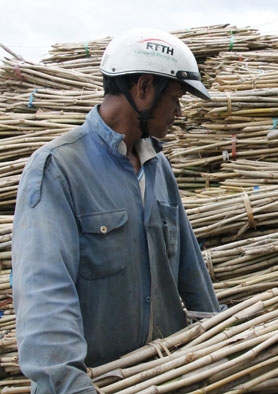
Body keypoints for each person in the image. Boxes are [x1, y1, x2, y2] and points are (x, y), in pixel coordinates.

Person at [12, 28, 221, 393]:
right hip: (98, 384)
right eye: (174, 98)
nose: (179, 111)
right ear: (143, 89)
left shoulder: (158, 167)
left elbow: (191, 272)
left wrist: (219, 345)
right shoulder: (59, 169)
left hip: (166, 376)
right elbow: (44, 295)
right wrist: (70, 384)